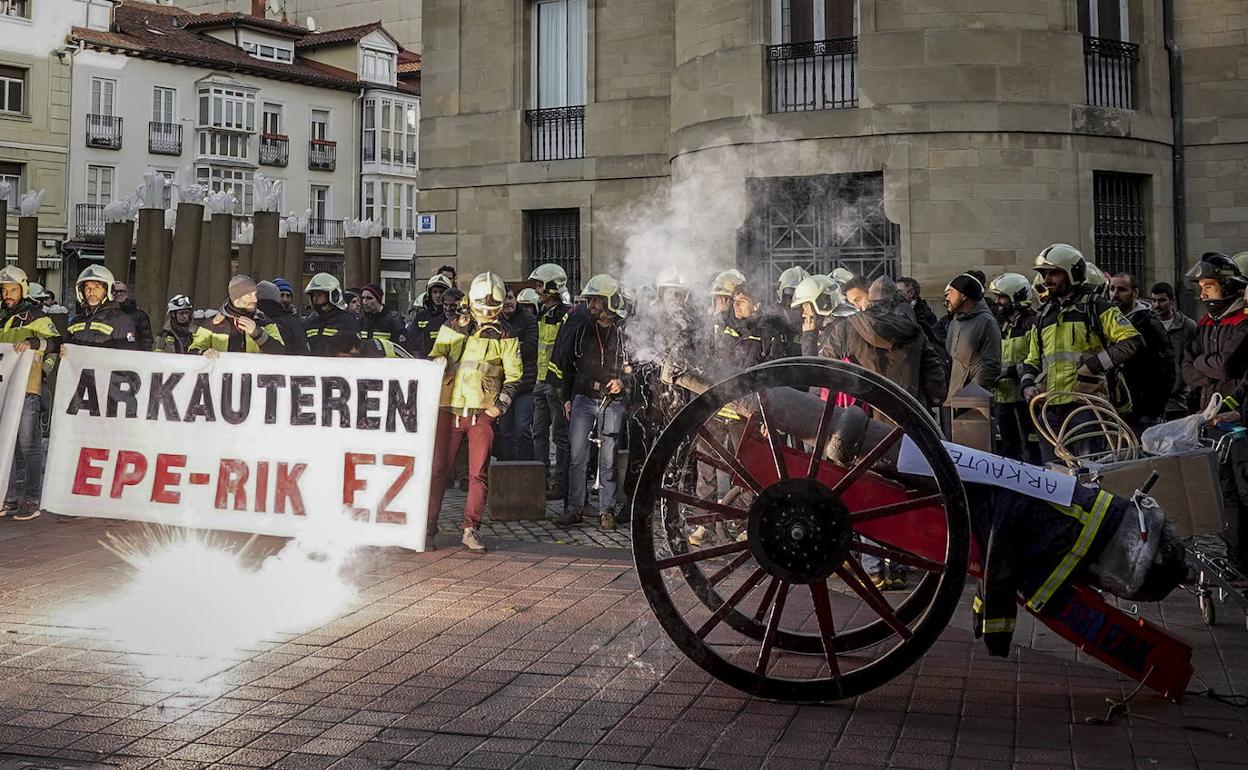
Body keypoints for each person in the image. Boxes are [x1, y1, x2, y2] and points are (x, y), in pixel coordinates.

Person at [426, 272, 523, 553]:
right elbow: (434, 356)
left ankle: (471, 528)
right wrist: (439, 360)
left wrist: (497, 408)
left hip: (482, 412)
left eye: (494, 306)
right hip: (449, 408)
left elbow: (515, 376)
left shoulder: (506, 333)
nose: (489, 312)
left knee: (477, 474)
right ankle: (428, 527)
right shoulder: (454, 324)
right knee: (437, 471)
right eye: (485, 305)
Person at [1021, 244, 1141, 462]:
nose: (1047, 280)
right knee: (1054, 475)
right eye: (1045, 274)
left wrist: (1094, 365)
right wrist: (1027, 384)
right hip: (1050, 409)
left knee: (1088, 472)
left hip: (1086, 406)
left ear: (1072, 273)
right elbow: (1032, 360)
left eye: (1054, 273)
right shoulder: (1044, 315)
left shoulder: (1096, 307)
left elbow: (1131, 341)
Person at [553, 274, 629, 531]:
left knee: (608, 458)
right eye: (589, 299)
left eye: (596, 299)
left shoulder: (623, 332)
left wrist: (623, 383)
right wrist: (566, 398)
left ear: (609, 300)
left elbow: (634, 368)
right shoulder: (582, 328)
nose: (591, 305)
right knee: (577, 457)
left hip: (612, 401)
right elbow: (568, 367)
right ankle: (574, 508)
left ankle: (606, 510)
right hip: (583, 399)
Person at [0, 265, 60, 522]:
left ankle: (31, 499)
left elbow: (57, 342)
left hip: (27, 387)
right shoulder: (1, 317)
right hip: (4, 387)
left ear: (23, 289)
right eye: (3, 290)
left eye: (12, 289)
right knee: (5, 444)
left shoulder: (36, 316)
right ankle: (8, 497)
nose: (7, 294)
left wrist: (37, 343)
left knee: (28, 445)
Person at [837, 276, 947, 407]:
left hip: (869, 411)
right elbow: (933, 372)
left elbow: (826, 366)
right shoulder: (912, 326)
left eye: (858, 299)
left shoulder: (849, 327)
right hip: (910, 407)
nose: (857, 306)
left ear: (870, 294)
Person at [1107, 273, 1174, 432]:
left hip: (1142, 412)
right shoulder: (1108, 321)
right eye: (1111, 289)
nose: (1115, 294)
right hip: (1116, 408)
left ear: (1135, 292)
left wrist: (1152, 411)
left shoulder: (1149, 324)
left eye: (1122, 289)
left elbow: (1166, 370)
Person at [529, 263, 574, 501]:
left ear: (552, 287)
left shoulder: (565, 315)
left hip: (555, 383)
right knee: (538, 432)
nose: (537, 290)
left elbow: (563, 352)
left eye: (540, 285)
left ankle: (560, 482)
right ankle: (539, 479)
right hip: (540, 381)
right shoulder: (541, 313)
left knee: (559, 435)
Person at [1182, 253, 1248, 411]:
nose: (1202, 294)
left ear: (1228, 286)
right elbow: (1186, 369)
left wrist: (1199, 362)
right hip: (1206, 412)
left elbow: (1225, 366)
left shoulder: (1243, 322)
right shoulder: (1206, 322)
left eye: (1208, 287)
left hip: (1235, 413)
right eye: (1201, 288)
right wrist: (1212, 372)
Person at [986, 273, 1039, 462]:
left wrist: (1009, 372)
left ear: (1016, 297)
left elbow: (1036, 359)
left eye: (1002, 297)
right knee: (1008, 448)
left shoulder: (1031, 323)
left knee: (1031, 446)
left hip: (1024, 398)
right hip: (1003, 397)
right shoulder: (1001, 325)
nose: (998, 302)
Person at [944, 273, 1002, 401]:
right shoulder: (955, 322)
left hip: (974, 403)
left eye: (951, 292)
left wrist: (971, 394)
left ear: (964, 296)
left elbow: (992, 364)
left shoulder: (986, 322)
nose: (947, 297)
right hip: (953, 400)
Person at [190, 275, 285, 353]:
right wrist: (203, 353)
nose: (255, 299)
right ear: (237, 297)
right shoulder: (213, 323)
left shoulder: (264, 321)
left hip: (253, 375)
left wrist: (257, 334)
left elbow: (281, 352)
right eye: (249, 295)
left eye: (255, 294)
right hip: (222, 375)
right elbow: (193, 351)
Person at [495, 287, 538, 461]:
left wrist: (505, 350)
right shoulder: (495, 322)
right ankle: (509, 469)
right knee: (505, 432)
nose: (507, 302)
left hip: (524, 385)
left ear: (516, 299)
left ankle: (528, 469)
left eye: (510, 297)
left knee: (522, 429)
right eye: (504, 298)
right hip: (503, 386)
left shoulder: (528, 320)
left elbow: (530, 347)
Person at [1150, 282, 1197, 419]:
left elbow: (1194, 359)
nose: (1157, 305)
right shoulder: (1147, 324)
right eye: (1153, 301)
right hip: (1152, 400)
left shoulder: (1188, 326)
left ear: (1172, 301)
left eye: (1162, 300)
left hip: (1179, 401)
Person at [65, 265, 137, 349]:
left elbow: (127, 354)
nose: (91, 292)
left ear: (108, 290)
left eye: (97, 287)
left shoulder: (121, 320)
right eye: (87, 287)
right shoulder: (76, 321)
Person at [303, 272, 361, 356]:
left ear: (333, 295)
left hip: (337, 367)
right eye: (313, 296)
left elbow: (355, 351)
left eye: (319, 295)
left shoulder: (347, 321)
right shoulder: (309, 323)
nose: (315, 299)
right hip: (312, 367)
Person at [406, 274, 454, 357]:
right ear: (429, 294)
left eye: (441, 292)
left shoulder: (451, 316)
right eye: (435, 292)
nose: (438, 295)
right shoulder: (421, 316)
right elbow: (412, 342)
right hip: (425, 361)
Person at [257, 280, 309, 355]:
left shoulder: (294, 321)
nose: (285, 299)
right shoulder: (255, 319)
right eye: (282, 295)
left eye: (288, 296)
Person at [358, 283, 407, 351]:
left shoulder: (394, 320)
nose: (365, 302)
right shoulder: (361, 320)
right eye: (363, 298)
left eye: (369, 298)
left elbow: (402, 348)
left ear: (378, 299)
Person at [111, 281, 154, 351]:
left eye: (122, 291)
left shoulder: (140, 316)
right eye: (115, 291)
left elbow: (146, 340)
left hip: (132, 355)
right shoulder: (104, 314)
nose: (118, 294)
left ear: (126, 294)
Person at [775, 265, 810, 338]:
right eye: (790, 297)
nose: (796, 303)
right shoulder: (773, 324)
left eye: (802, 298)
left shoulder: (815, 325)